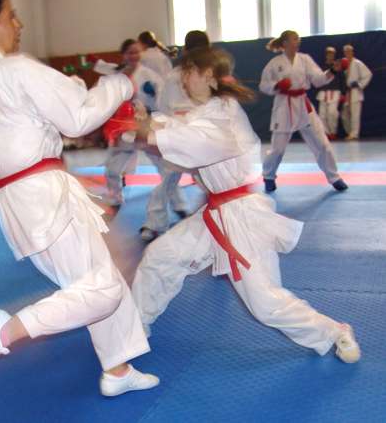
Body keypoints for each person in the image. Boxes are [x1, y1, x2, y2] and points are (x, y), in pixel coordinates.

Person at [0, 0, 158, 397]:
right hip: (43, 195)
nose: (19, 24)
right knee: (104, 289)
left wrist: (31, 127)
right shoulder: (15, 70)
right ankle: (6, 331)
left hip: (15, 200)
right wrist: (118, 86)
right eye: (12, 15)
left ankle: (117, 369)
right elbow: (78, 117)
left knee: (96, 278)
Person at [131, 47, 361, 365]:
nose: (183, 79)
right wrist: (147, 123)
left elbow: (191, 140)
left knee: (265, 302)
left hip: (242, 216)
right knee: (160, 257)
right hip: (216, 213)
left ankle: (334, 330)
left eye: (188, 72)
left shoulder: (222, 115)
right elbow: (178, 126)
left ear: (207, 76)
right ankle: (132, 329)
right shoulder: (208, 109)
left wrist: (144, 130)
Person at [139, 30, 211, 241]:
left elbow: (163, 106)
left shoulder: (182, 75)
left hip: (190, 132)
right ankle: (155, 223)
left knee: (172, 178)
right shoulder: (201, 74)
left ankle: (154, 224)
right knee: (198, 178)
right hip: (189, 133)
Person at [259, 30, 348, 193]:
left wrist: (332, 71)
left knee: (322, 143)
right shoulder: (274, 63)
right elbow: (263, 85)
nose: (298, 41)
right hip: (283, 106)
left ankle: (334, 177)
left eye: (298, 39)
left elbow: (318, 79)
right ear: (285, 43)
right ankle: (268, 176)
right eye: (294, 39)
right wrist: (277, 86)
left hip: (303, 105)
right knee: (277, 149)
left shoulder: (305, 59)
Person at [102, 39, 164, 208]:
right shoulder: (117, 76)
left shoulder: (149, 75)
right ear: (123, 55)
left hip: (146, 125)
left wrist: (155, 95)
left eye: (137, 52)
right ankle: (115, 196)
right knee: (113, 169)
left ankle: (179, 202)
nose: (134, 56)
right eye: (130, 52)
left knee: (164, 167)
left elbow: (162, 98)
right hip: (124, 127)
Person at [341, 44, 373, 140]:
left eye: (349, 51)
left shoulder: (358, 63)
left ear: (352, 52)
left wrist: (359, 84)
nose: (347, 53)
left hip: (355, 92)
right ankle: (349, 132)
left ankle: (354, 134)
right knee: (344, 115)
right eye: (345, 52)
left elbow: (368, 74)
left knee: (355, 115)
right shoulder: (344, 63)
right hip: (347, 93)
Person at [316, 47, 346, 140]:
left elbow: (342, 80)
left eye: (332, 54)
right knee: (322, 114)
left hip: (335, 92)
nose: (330, 55)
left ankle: (333, 132)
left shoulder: (338, 66)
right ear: (326, 55)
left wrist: (343, 93)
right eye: (329, 54)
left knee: (332, 113)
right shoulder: (321, 66)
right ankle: (326, 133)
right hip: (323, 92)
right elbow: (318, 79)